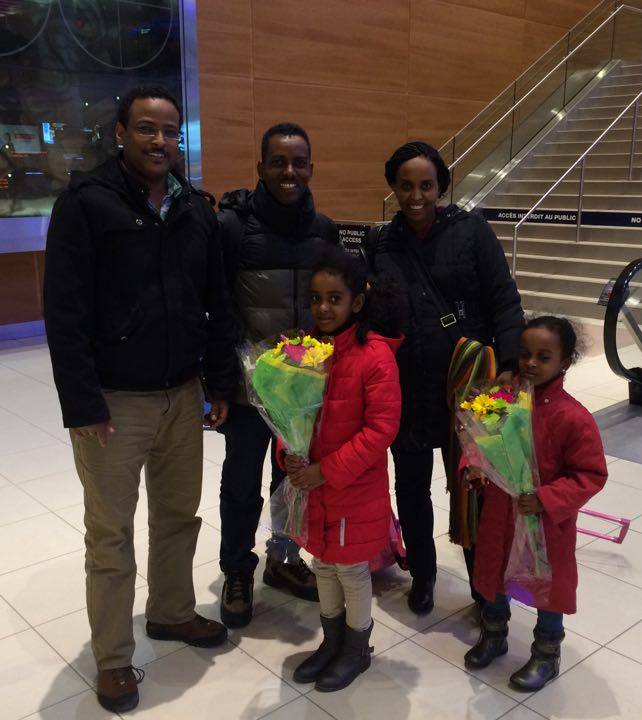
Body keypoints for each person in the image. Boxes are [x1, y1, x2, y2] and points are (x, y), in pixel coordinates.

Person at [44, 85, 236, 713]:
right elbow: (63, 312)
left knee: (179, 515)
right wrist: (83, 404)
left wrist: (218, 383)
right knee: (110, 534)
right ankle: (114, 660)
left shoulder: (192, 206)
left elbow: (215, 301)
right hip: (112, 400)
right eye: (147, 128)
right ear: (120, 133)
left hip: (182, 393)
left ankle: (173, 612)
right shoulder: (85, 202)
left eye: (170, 130)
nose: (160, 140)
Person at [364, 141, 524, 615]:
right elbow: (370, 313)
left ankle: (482, 584)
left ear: (440, 186)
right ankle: (425, 575)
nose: (416, 195)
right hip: (407, 386)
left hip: (469, 385)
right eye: (406, 186)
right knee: (411, 487)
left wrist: (510, 364)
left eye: (426, 185)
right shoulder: (380, 244)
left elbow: (504, 299)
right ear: (393, 187)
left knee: (472, 486)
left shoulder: (471, 232)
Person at [216, 122, 339, 628]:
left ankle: (283, 558)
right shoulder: (233, 227)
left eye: (299, 162)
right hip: (249, 391)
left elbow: (335, 307)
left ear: (311, 167)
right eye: (278, 162)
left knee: (291, 481)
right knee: (242, 482)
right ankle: (237, 571)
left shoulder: (325, 230)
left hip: (303, 390)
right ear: (261, 167)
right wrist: (221, 382)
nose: (289, 172)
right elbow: (218, 306)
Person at [281, 247, 404, 691]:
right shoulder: (303, 353)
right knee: (323, 566)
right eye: (316, 298)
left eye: (335, 298)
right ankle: (331, 642)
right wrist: (289, 455)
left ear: (357, 301)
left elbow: (381, 429)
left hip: (353, 488)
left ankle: (356, 649)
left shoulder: (375, 356)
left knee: (351, 570)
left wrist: (325, 470)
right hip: (314, 487)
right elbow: (287, 414)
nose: (324, 307)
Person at [465, 316, 607, 691]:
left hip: (546, 522)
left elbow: (591, 474)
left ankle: (546, 653)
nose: (530, 363)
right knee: (493, 575)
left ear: (564, 362)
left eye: (543, 356)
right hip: (500, 512)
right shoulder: (502, 401)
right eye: (525, 354)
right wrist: (475, 467)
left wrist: (545, 498)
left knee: (547, 586)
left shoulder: (573, 417)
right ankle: (494, 634)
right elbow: (479, 442)